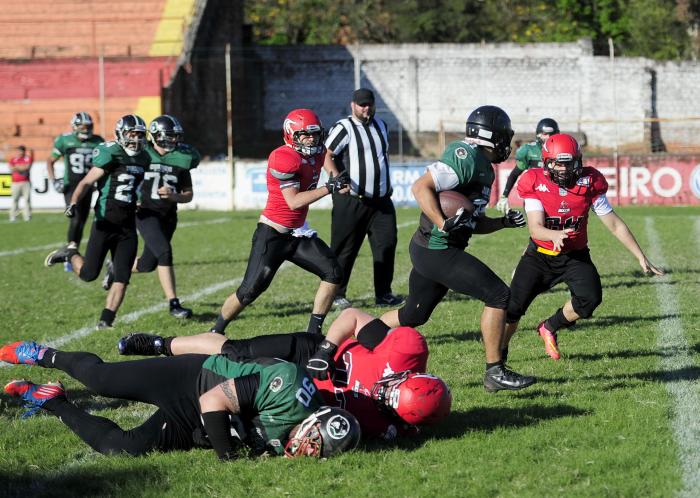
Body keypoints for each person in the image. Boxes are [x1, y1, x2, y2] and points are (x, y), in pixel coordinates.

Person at [379, 105, 536, 393]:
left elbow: (471, 222)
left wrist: (502, 222)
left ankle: (361, 336)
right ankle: (495, 371)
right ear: (491, 137)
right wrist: (442, 223)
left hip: (435, 249)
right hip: (437, 249)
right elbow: (420, 187)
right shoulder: (465, 156)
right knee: (499, 294)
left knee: (413, 315)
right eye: (503, 136)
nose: (506, 143)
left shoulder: (484, 167)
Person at [117, 307, 451, 440]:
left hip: (300, 392)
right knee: (234, 349)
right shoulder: (406, 348)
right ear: (408, 375)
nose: (380, 393)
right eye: (390, 387)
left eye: (387, 403)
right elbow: (351, 316)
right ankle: (162, 343)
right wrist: (325, 350)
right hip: (315, 352)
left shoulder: (388, 427)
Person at [0, 341, 360, 459]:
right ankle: (43, 354)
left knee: (123, 449)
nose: (310, 449)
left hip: (203, 413)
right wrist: (227, 456)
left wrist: (214, 437)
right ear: (312, 419)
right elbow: (215, 400)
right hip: (196, 379)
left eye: (318, 449)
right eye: (315, 441)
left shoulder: (294, 434)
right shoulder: (287, 389)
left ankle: (51, 400)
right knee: (101, 379)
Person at [502, 133, 665, 360]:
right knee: (513, 309)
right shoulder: (534, 181)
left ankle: (549, 326)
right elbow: (535, 228)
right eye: (559, 163)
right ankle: (499, 356)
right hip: (540, 256)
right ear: (547, 163)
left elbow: (614, 224)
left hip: (574, 256)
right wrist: (554, 234)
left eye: (569, 163)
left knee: (590, 299)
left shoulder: (590, 183)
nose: (564, 169)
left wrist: (640, 256)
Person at [209, 108, 349, 336]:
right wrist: (328, 188)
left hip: (298, 233)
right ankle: (215, 331)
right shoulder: (284, 157)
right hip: (273, 232)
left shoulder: (317, 150)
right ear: (291, 135)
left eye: (314, 134)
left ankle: (313, 333)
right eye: (305, 134)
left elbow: (327, 161)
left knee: (333, 272)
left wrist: (338, 179)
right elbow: (293, 202)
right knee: (250, 290)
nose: (311, 139)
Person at [44, 115, 150, 330]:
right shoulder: (110, 153)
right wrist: (73, 202)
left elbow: (134, 185)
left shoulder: (143, 158)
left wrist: (137, 199)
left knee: (123, 276)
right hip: (105, 223)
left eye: (140, 134)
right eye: (132, 133)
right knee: (89, 274)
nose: (137, 138)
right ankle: (70, 253)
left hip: (127, 226)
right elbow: (86, 182)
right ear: (121, 133)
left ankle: (106, 320)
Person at [103, 115, 199, 319]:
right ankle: (174, 304)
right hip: (145, 213)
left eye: (175, 137)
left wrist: (175, 196)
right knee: (165, 252)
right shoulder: (141, 154)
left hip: (168, 216)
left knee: (148, 264)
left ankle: (116, 268)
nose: (173, 141)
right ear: (155, 136)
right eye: (169, 136)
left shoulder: (181, 159)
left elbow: (189, 194)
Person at [324, 88, 403, 309]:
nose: (366, 108)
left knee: (386, 245)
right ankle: (337, 293)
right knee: (344, 249)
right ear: (353, 106)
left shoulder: (382, 126)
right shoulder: (344, 127)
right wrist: (337, 180)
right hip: (351, 200)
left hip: (381, 202)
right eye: (361, 105)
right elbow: (326, 155)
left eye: (369, 104)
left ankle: (384, 293)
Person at [46, 112, 105, 253]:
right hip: (71, 186)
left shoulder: (98, 141)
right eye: (82, 127)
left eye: (88, 126)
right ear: (75, 126)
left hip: (88, 185)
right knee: (75, 218)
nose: (86, 129)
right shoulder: (65, 140)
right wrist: (54, 180)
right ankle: (70, 251)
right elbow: (50, 160)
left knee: (82, 221)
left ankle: (73, 251)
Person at [495, 118, 559, 214]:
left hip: (554, 195)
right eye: (545, 134)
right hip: (534, 196)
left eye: (552, 134)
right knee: (536, 226)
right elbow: (514, 174)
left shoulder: (560, 150)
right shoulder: (529, 150)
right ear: (538, 134)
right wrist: (504, 195)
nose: (549, 137)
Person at [8, 145, 33, 222]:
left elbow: (27, 167)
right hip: (15, 182)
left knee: (27, 199)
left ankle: (27, 216)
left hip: (26, 182)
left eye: (21, 150)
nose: (20, 152)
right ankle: (13, 216)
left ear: (24, 151)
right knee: (15, 199)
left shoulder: (28, 158)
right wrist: (21, 167)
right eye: (19, 150)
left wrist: (17, 167)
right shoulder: (13, 159)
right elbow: (11, 168)